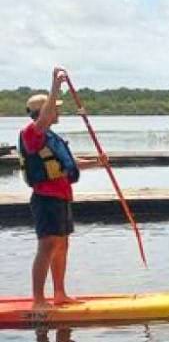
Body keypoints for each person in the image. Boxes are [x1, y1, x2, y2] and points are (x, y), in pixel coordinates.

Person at [18, 67, 105, 310]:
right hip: (45, 199)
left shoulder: (51, 137)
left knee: (62, 245)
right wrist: (55, 86)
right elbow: (44, 117)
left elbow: (68, 164)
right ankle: (38, 300)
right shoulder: (32, 133)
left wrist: (98, 162)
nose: (58, 110)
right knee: (47, 245)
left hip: (61, 197)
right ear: (41, 112)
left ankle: (59, 293)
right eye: (54, 107)